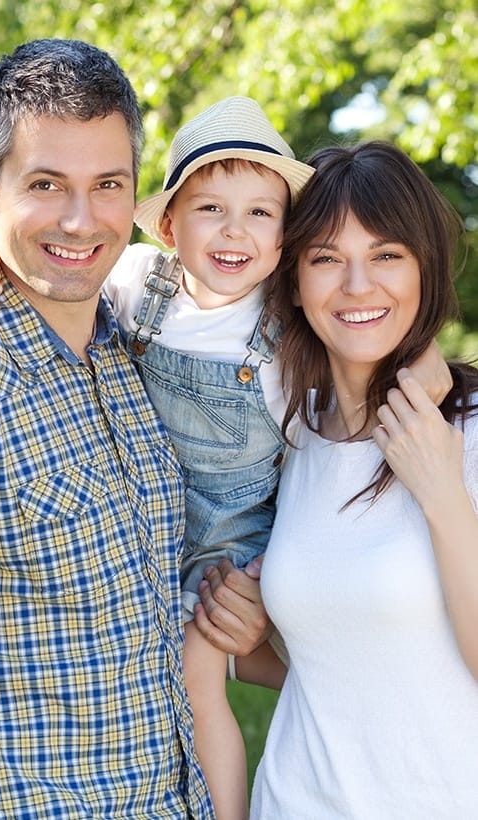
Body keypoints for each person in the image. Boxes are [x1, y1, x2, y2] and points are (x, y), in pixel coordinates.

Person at [0, 102, 454, 819]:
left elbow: (372, 330)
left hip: (229, 544)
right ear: (167, 226)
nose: (234, 231)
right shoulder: (132, 283)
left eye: (260, 214)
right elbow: (44, 271)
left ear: (285, 238)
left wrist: (425, 371)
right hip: (139, 527)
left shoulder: (284, 325)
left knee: (198, 678)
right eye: (211, 209)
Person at [0, 39, 268, 819]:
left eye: (108, 184)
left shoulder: (132, 344)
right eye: (46, 184)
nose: (82, 220)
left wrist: (237, 616)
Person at [248, 140, 478, 819]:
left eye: (386, 255)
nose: (357, 286)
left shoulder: (467, 432)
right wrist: (239, 641)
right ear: (293, 278)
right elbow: (334, 656)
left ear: (423, 269)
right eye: (326, 258)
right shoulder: (288, 432)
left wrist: (442, 493)